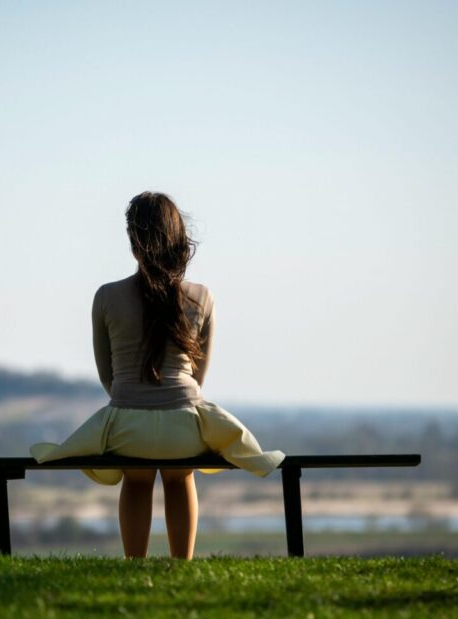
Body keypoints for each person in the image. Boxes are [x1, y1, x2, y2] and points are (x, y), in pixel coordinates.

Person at [29, 191, 285, 559]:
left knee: (136, 480)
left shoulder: (106, 296)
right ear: (180, 241)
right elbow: (198, 379)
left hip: (126, 426)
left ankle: (135, 565)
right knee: (181, 476)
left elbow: (108, 376)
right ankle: (182, 566)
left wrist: (136, 399)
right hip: (184, 427)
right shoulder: (202, 297)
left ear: (134, 242)